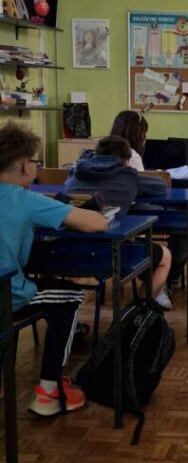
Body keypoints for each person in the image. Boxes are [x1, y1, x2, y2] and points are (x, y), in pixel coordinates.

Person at [0, 121, 108, 416]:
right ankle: (49, 391)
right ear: (24, 165)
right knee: (71, 296)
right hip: (7, 296)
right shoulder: (27, 200)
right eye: (35, 162)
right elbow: (96, 223)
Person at [64, 135, 172, 308]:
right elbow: (160, 186)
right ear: (126, 160)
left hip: (67, 251)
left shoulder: (76, 172)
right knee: (165, 256)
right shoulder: (128, 175)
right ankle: (140, 311)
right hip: (108, 253)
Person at [108, 111, 186, 292]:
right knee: (184, 224)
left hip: (109, 219)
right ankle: (168, 279)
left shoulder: (99, 154)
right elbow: (146, 189)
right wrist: (157, 177)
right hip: (132, 212)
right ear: (138, 133)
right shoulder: (131, 156)